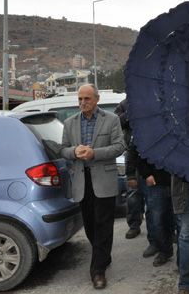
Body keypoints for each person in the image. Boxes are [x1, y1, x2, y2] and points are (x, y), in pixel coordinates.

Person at [61, 84, 125, 289]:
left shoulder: (112, 120)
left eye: (87, 99)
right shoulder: (70, 123)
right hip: (81, 180)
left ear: (96, 99)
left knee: (103, 224)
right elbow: (62, 150)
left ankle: (97, 270)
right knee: (89, 224)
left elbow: (119, 146)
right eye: (80, 99)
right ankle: (103, 255)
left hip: (103, 179)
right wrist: (74, 151)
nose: (82, 103)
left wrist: (94, 153)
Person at [114, 99, 145, 240]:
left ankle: (163, 232)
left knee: (157, 196)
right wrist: (130, 112)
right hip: (132, 155)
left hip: (153, 154)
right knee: (133, 194)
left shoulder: (153, 98)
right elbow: (117, 123)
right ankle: (134, 225)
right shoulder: (125, 104)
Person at [137, 152, 174, 267]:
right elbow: (140, 152)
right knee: (157, 220)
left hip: (178, 180)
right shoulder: (148, 134)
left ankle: (183, 257)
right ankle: (164, 250)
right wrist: (147, 174)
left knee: (177, 220)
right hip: (156, 182)